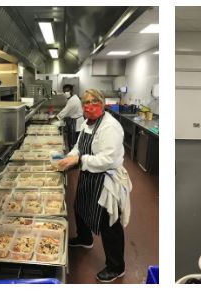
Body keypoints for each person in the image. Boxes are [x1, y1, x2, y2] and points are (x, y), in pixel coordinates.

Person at [58, 89, 132, 283]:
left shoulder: (110, 127)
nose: (89, 106)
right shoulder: (86, 123)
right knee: (79, 207)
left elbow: (107, 160)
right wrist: (71, 156)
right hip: (89, 176)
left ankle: (117, 267)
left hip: (106, 180)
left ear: (102, 104)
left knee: (109, 224)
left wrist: (79, 160)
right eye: (86, 102)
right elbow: (79, 145)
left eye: (94, 102)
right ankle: (85, 238)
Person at [55, 84, 84, 150]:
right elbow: (67, 111)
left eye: (67, 91)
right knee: (73, 140)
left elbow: (65, 111)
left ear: (71, 91)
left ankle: (74, 155)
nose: (66, 93)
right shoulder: (72, 99)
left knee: (74, 142)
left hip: (77, 123)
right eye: (64, 91)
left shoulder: (73, 100)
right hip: (75, 121)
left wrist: (55, 118)